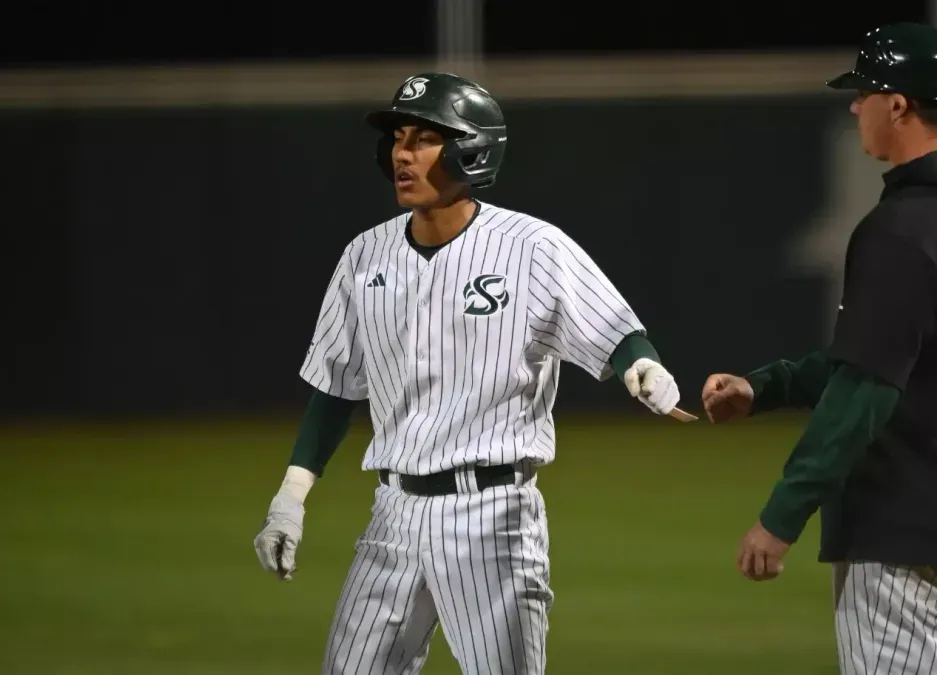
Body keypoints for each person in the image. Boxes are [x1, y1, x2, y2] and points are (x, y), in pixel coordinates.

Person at [252, 72, 682, 675]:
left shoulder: (532, 247)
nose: (403, 152)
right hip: (393, 515)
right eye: (398, 137)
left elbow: (617, 331)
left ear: (471, 150)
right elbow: (333, 391)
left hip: (493, 517)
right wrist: (289, 500)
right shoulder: (364, 256)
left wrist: (641, 365)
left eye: (424, 138)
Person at [701, 23, 937, 675]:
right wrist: (763, 388)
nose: (856, 107)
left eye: (866, 92)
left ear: (899, 105)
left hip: (904, 524)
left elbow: (866, 387)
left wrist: (782, 514)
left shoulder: (905, 227)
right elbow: (879, 356)